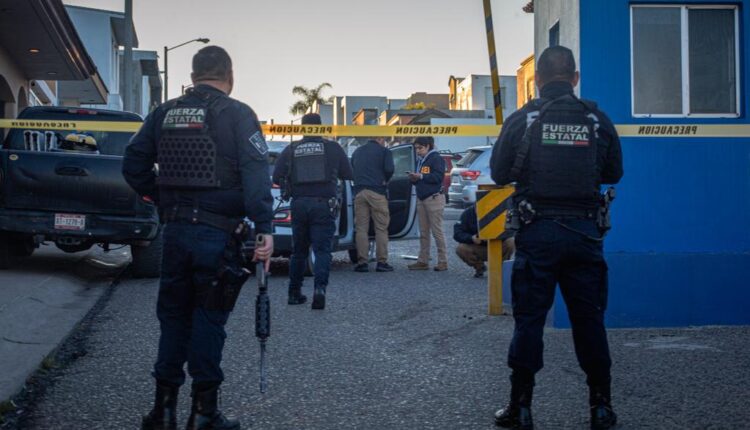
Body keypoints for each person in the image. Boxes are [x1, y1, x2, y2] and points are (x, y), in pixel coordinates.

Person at [123, 46, 274, 430]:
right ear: (229, 74)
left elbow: (133, 163)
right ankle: (203, 413)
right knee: (209, 319)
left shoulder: (163, 113)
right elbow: (257, 176)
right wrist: (264, 228)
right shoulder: (238, 114)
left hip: (174, 233)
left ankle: (163, 412)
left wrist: (162, 198)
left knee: (173, 318)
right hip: (218, 232)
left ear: (192, 76)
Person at [489, 45, 623, 430]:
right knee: (589, 321)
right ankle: (601, 407)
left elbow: (499, 173)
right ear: (575, 79)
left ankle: (521, 408)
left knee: (528, 321)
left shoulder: (523, 119)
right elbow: (614, 172)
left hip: (538, 232)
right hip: (584, 233)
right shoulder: (596, 119)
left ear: (539, 80)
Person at [272, 113, 353, 310]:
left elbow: (276, 175)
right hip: (324, 204)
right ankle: (319, 291)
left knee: (298, 251)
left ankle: (294, 292)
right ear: (320, 127)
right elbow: (349, 174)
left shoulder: (291, 149)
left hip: (299, 205)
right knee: (322, 250)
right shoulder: (332, 148)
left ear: (302, 128)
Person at [350, 136, 395, 272]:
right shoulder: (384, 151)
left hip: (359, 192)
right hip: (377, 192)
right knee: (381, 228)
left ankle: (362, 263)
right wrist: (385, 180)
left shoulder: (357, 151)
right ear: (380, 139)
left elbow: (352, 168)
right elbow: (389, 169)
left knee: (361, 229)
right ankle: (382, 263)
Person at [407, 136, 448, 271]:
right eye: (416, 148)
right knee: (424, 232)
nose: (418, 151)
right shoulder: (421, 160)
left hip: (434, 198)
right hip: (422, 198)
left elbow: (438, 177)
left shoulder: (435, 158)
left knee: (437, 231)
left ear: (428, 146)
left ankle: (443, 261)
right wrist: (414, 178)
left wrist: (421, 176)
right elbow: (422, 178)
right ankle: (423, 260)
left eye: (420, 148)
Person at [453, 204, 514, 277]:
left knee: (511, 242)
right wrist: (471, 238)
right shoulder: (467, 213)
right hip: (478, 246)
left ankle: (501, 268)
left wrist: (496, 236)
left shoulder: (499, 211)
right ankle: (480, 267)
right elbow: (457, 233)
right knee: (461, 249)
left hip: (497, 245)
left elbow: (510, 231)